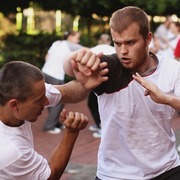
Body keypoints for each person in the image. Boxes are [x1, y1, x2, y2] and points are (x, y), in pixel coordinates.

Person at [64, 6, 180, 179]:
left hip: (166, 168)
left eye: (130, 43)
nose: (123, 51)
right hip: (114, 174)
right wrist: (74, 58)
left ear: (148, 38)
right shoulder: (110, 66)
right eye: (117, 43)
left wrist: (166, 99)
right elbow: (69, 69)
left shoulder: (172, 69)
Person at [0, 60, 108, 179]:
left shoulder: (21, 94)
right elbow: (50, 176)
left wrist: (86, 82)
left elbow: (67, 92)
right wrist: (71, 133)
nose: (46, 102)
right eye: (39, 100)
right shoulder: (11, 150)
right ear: (14, 105)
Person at [42, 30, 84, 134]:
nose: (78, 40)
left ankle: (56, 123)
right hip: (56, 75)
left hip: (45, 72)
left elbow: (47, 57)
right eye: (77, 38)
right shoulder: (71, 45)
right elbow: (87, 51)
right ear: (70, 36)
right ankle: (49, 126)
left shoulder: (56, 43)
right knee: (59, 100)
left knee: (50, 96)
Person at [88, 33, 115, 138]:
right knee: (107, 104)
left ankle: (102, 127)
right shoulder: (114, 49)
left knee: (93, 103)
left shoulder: (93, 49)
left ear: (99, 40)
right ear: (109, 40)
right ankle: (101, 124)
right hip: (112, 81)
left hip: (96, 81)